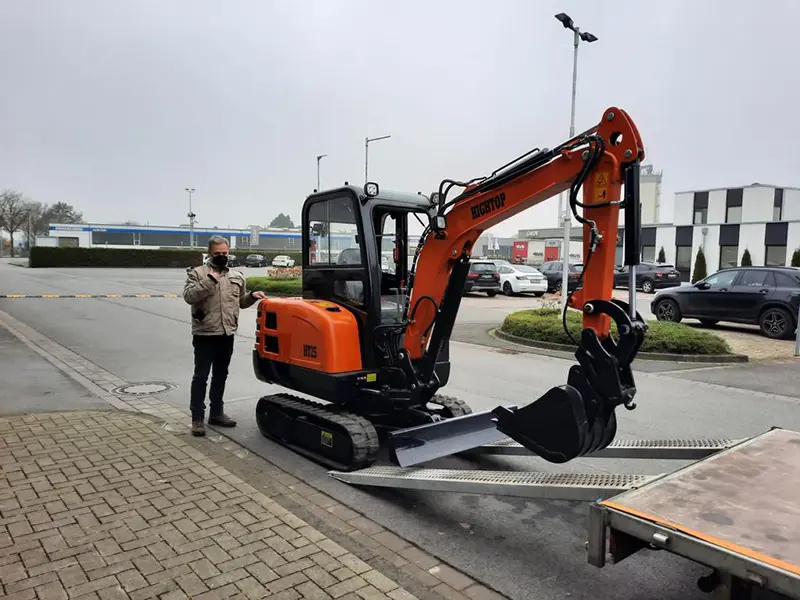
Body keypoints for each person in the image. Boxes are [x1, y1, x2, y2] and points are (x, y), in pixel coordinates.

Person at [183, 235, 267, 436]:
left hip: (226, 332)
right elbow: (189, 297)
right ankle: (197, 418)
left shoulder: (236, 276)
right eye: (217, 254)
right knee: (201, 376)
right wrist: (211, 279)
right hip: (205, 333)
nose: (221, 257)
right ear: (210, 254)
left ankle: (217, 413)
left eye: (224, 253)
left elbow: (240, 302)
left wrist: (252, 297)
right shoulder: (198, 273)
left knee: (221, 375)